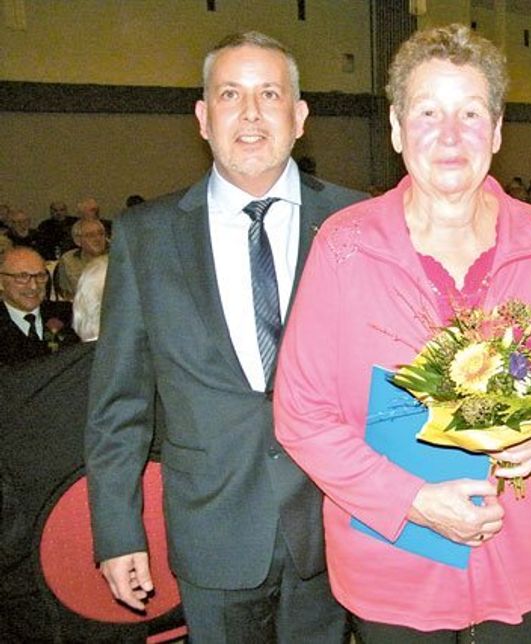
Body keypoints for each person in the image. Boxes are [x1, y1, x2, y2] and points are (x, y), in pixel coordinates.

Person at [273, 24, 531, 642]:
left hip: (520, 553)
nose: (450, 136)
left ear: (498, 129)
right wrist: (412, 501)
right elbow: (302, 416)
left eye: (470, 113)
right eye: (428, 112)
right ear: (397, 128)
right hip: (394, 562)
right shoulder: (344, 247)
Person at [84, 31, 365, 642]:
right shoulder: (146, 237)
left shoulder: (356, 223)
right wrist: (117, 529)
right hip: (212, 532)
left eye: (270, 93)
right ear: (203, 117)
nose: (251, 113)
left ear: (300, 116)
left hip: (334, 523)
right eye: (230, 94)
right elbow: (118, 405)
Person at [0, 246, 79, 365]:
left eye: (40, 276)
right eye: (22, 277)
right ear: (1, 281)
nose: (34, 286)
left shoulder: (68, 314)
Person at [53, 218, 108, 300]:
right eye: (91, 235)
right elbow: (65, 294)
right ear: (77, 241)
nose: (98, 239)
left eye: (101, 234)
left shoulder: (117, 258)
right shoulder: (69, 260)